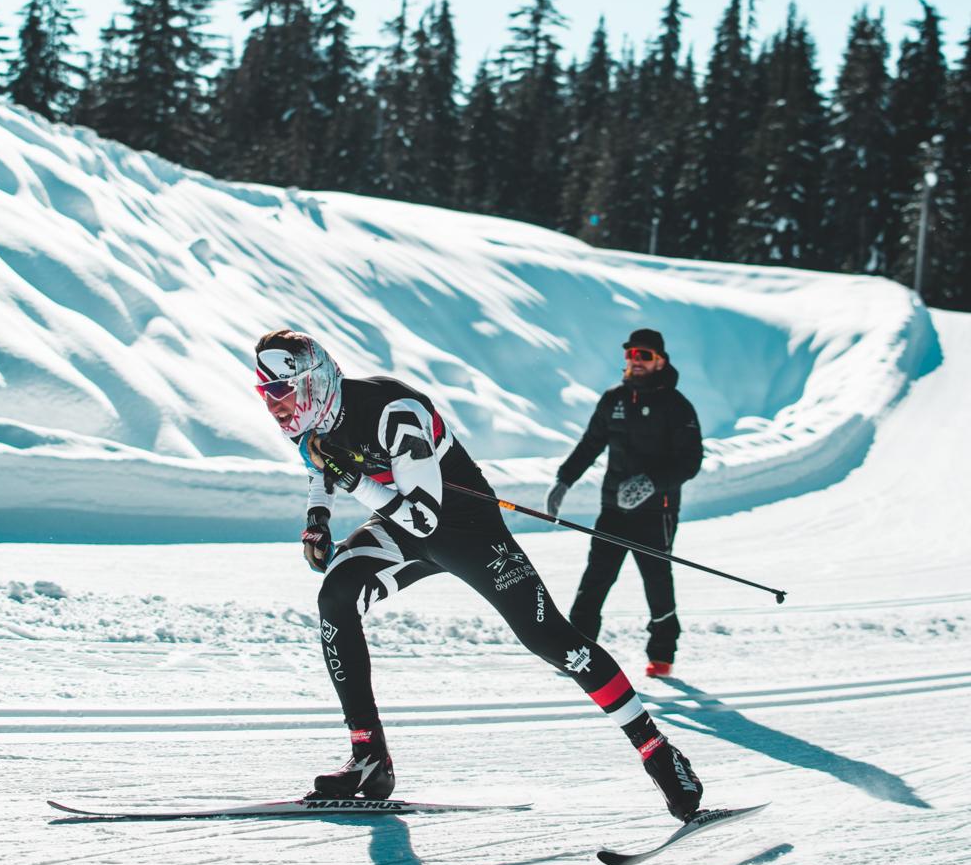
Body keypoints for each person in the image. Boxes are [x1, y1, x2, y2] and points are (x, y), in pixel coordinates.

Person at [254, 327, 703, 820]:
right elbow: (319, 465)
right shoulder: (311, 417)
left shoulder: (393, 412)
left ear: (314, 382)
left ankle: (659, 754)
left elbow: (423, 516)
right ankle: (369, 758)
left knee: (553, 640)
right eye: (266, 394)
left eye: (281, 391)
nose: (275, 406)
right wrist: (317, 519)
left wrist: (352, 479)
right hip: (403, 527)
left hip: (466, 530)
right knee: (336, 595)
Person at [545, 327, 703, 677]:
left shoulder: (677, 406)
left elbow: (691, 461)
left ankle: (662, 654)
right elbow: (590, 444)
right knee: (596, 577)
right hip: (614, 507)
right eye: (631, 354)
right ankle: (577, 648)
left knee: (656, 579)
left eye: (644, 355)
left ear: (660, 361)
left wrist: (651, 484)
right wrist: (563, 480)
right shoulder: (613, 399)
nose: (636, 361)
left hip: (655, 511)